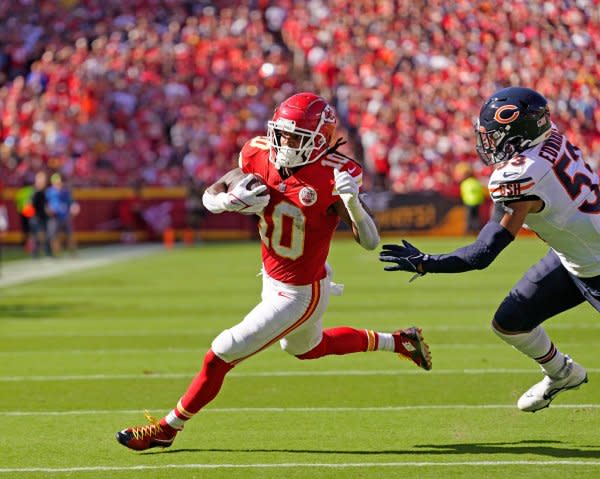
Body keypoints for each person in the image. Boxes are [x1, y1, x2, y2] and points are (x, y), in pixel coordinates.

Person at [116, 92, 432, 451]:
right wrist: (223, 202)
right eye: (282, 133)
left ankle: (167, 428)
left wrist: (354, 205)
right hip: (274, 278)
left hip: (300, 293)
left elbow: (370, 242)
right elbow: (214, 189)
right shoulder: (259, 152)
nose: (285, 143)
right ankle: (400, 341)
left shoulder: (334, 175)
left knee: (221, 353)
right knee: (307, 349)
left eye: (297, 137)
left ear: (320, 141)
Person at [379, 87, 598, 413]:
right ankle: (561, 373)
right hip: (574, 257)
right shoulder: (550, 139)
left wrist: (427, 263)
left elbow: (483, 252)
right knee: (511, 321)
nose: (490, 144)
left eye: (496, 136)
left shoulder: (523, 176)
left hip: (595, 264)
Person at [46, 173, 80, 257]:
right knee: (54, 236)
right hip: (54, 217)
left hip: (65, 216)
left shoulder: (65, 192)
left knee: (70, 236)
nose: (58, 184)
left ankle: (73, 253)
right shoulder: (49, 192)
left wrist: (74, 208)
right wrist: (48, 210)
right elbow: (46, 205)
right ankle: (57, 254)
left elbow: (72, 202)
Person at [457, 163, 485, 235]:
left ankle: (469, 231)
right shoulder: (476, 182)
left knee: (469, 218)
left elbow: (463, 193)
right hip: (477, 202)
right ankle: (477, 231)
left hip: (469, 202)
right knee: (476, 218)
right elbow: (480, 192)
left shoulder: (465, 182)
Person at [30, 171, 52, 258]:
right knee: (37, 235)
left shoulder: (46, 190)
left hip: (44, 216)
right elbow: (31, 205)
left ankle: (48, 252)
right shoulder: (35, 191)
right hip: (36, 217)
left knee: (47, 234)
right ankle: (35, 253)